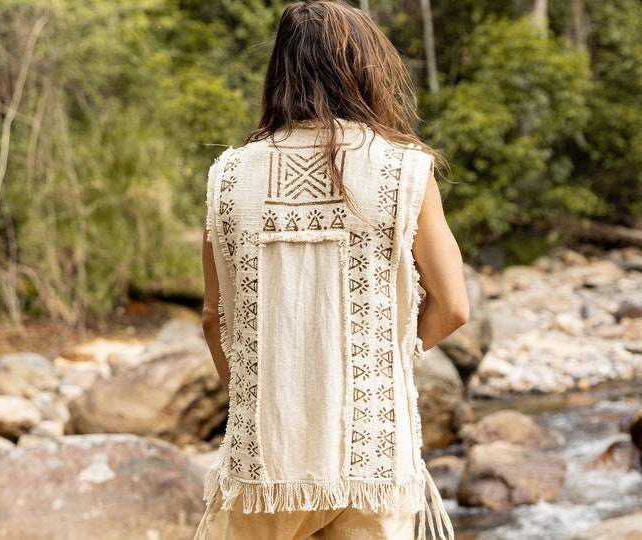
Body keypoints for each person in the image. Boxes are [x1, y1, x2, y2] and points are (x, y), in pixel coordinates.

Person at [196, 1, 469, 539]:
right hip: (372, 459)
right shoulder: (403, 169)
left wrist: (256, 398)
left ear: (278, 69)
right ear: (362, 66)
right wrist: (383, 365)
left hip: (264, 463)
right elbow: (454, 307)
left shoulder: (229, 176)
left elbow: (214, 317)